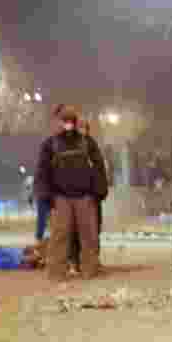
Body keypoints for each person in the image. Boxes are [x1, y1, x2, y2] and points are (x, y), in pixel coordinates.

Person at [34, 106, 108, 281]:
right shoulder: (50, 144)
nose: (68, 125)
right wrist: (46, 195)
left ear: (75, 122)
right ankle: (57, 272)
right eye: (65, 121)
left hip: (84, 196)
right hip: (60, 197)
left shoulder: (87, 142)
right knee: (60, 236)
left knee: (88, 235)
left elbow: (99, 167)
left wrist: (98, 192)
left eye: (70, 121)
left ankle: (89, 269)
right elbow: (42, 171)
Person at [68, 118, 109, 274]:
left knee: (93, 230)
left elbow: (100, 169)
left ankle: (91, 260)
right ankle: (75, 261)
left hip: (92, 195)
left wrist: (101, 191)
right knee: (75, 231)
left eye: (84, 128)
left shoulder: (92, 145)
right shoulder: (68, 146)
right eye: (80, 128)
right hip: (75, 194)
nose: (82, 131)